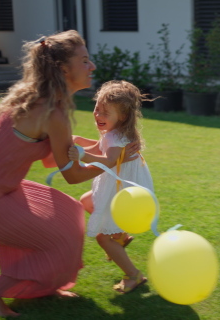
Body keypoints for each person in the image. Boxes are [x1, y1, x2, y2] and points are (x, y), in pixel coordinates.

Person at [0, 30, 138, 317]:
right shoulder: (52, 113)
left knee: (69, 214)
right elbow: (71, 174)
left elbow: (53, 150)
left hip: (4, 189)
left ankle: (46, 285)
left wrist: (103, 147)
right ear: (63, 69)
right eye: (84, 61)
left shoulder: (39, 101)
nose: (92, 66)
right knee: (60, 240)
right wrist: (112, 161)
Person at [69, 80, 153, 294]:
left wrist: (81, 154)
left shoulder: (116, 136)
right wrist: (79, 140)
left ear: (122, 116)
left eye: (105, 112)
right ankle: (121, 236)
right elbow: (101, 145)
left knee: (102, 237)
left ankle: (133, 275)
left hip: (120, 190)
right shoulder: (115, 132)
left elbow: (108, 160)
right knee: (86, 201)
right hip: (121, 186)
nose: (98, 115)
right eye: (97, 109)